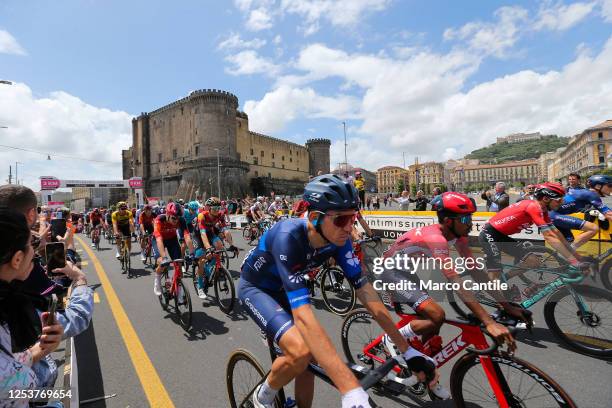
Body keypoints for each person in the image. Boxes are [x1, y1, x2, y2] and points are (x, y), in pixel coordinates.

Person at [239, 174, 442, 408]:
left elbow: (367, 293)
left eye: (353, 218)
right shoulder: (288, 236)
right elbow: (304, 318)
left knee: (311, 359)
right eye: (341, 220)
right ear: (315, 218)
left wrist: (407, 352)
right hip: (257, 289)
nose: (349, 227)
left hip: (285, 289)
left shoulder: (339, 239)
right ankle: (261, 397)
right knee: (301, 351)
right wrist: (349, 388)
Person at [379, 192, 529, 385]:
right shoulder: (437, 238)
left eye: (472, 217)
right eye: (466, 218)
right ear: (449, 221)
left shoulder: (459, 237)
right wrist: (488, 321)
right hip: (390, 271)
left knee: (432, 325)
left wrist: (506, 306)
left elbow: (477, 273)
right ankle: (393, 338)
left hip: (407, 272)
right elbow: (456, 281)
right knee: (437, 315)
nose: (470, 223)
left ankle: (422, 371)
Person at [0, 208, 64, 405]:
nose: (35, 253)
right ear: (17, 259)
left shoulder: (7, 300)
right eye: (33, 244)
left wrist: (42, 349)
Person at [478, 182, 591, 282]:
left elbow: (557, 234)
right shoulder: (533, 207)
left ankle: (503, 280)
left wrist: (578, 258)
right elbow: (549, 236)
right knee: (495, 274)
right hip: (489, 233)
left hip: (500, 235)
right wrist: (574, 262)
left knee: (533, 261)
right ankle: (489, 289)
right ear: (546, 199)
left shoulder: (543, 211)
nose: (561, 203)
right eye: (559, 200)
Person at [549, 174, 611, 249]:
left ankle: (564, 257)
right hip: (554, 215)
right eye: (609, 185)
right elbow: (608, 214)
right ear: (598, 186)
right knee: (593, 228)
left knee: (570, 241)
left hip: (554, 215)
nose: (611, 188)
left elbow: (605, 210)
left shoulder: (587, 193)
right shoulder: (591, 195)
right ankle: (569, 253)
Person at [152, 202, 194, 297]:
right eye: (174, 218)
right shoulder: (159, 220)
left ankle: (179, 291)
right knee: (162, 262)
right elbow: (159, 240)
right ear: (167, 215)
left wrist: (192, 254)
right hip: (159, 240)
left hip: (172, 240)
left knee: (178, 265)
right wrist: (164, 258)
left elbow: (187, 237)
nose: (176, 221)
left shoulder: (181, 220)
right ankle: (157, 280)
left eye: (178, 218)